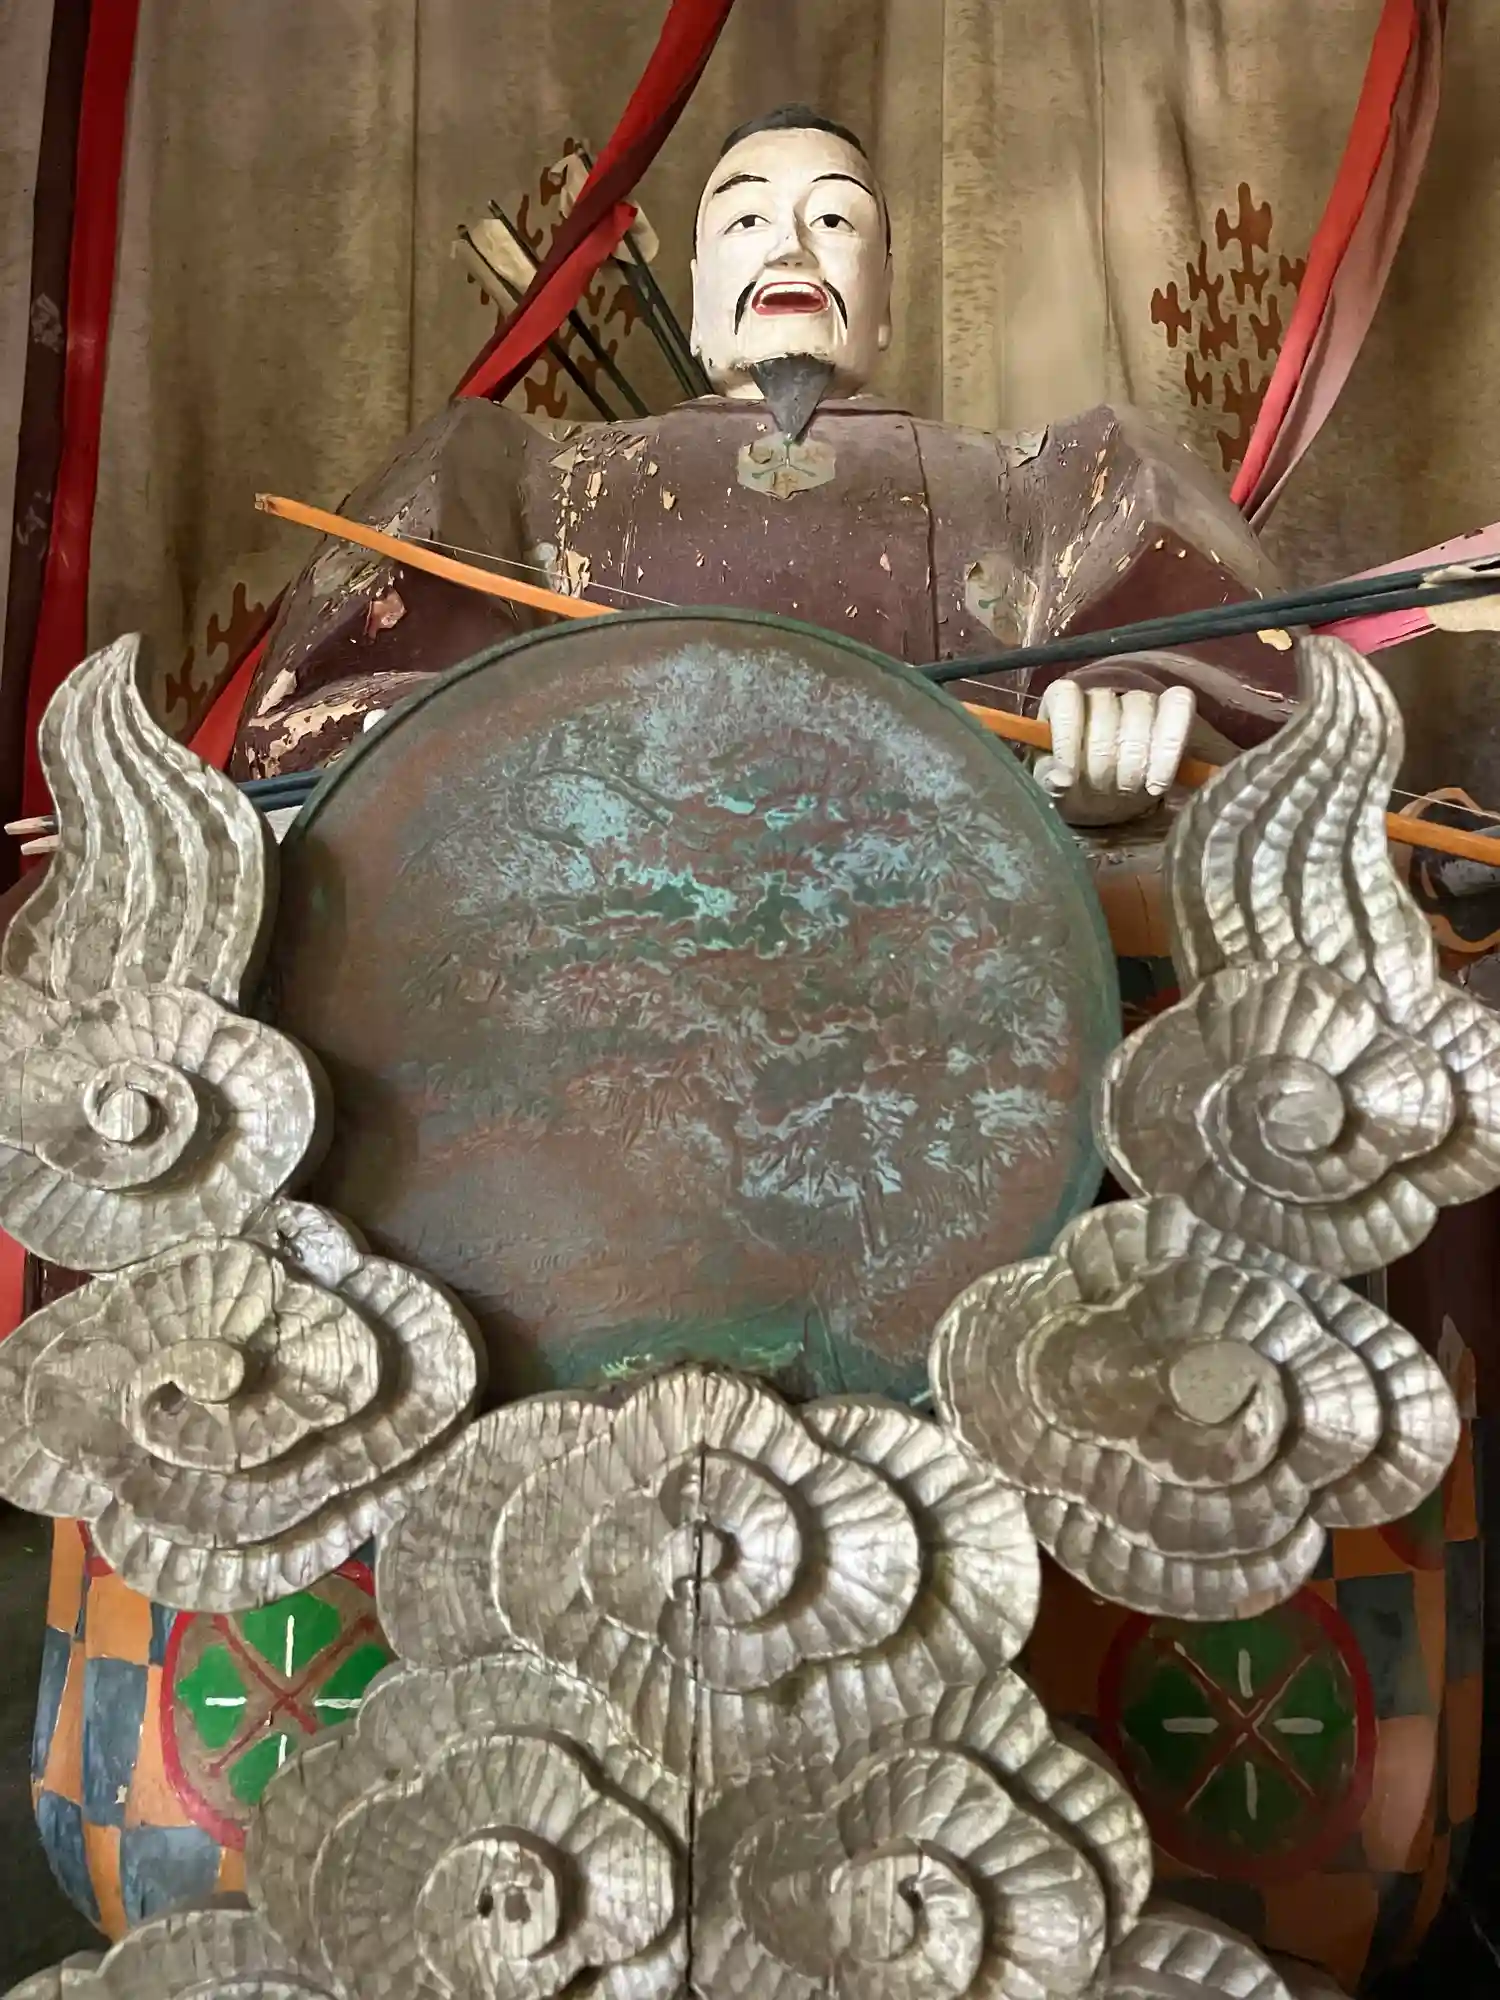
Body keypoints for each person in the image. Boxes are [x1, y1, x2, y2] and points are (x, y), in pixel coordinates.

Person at [237, 108, 1293, 826]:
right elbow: (318, 720)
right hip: (593, 937)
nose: (791, 247)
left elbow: (1247, 683)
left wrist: (1125, 713)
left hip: (950, 945)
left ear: (885, 298)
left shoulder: (1048, 477)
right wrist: (457, 744)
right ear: (699, 291)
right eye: (748, 219)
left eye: (833, 219)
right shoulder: (517, 468)